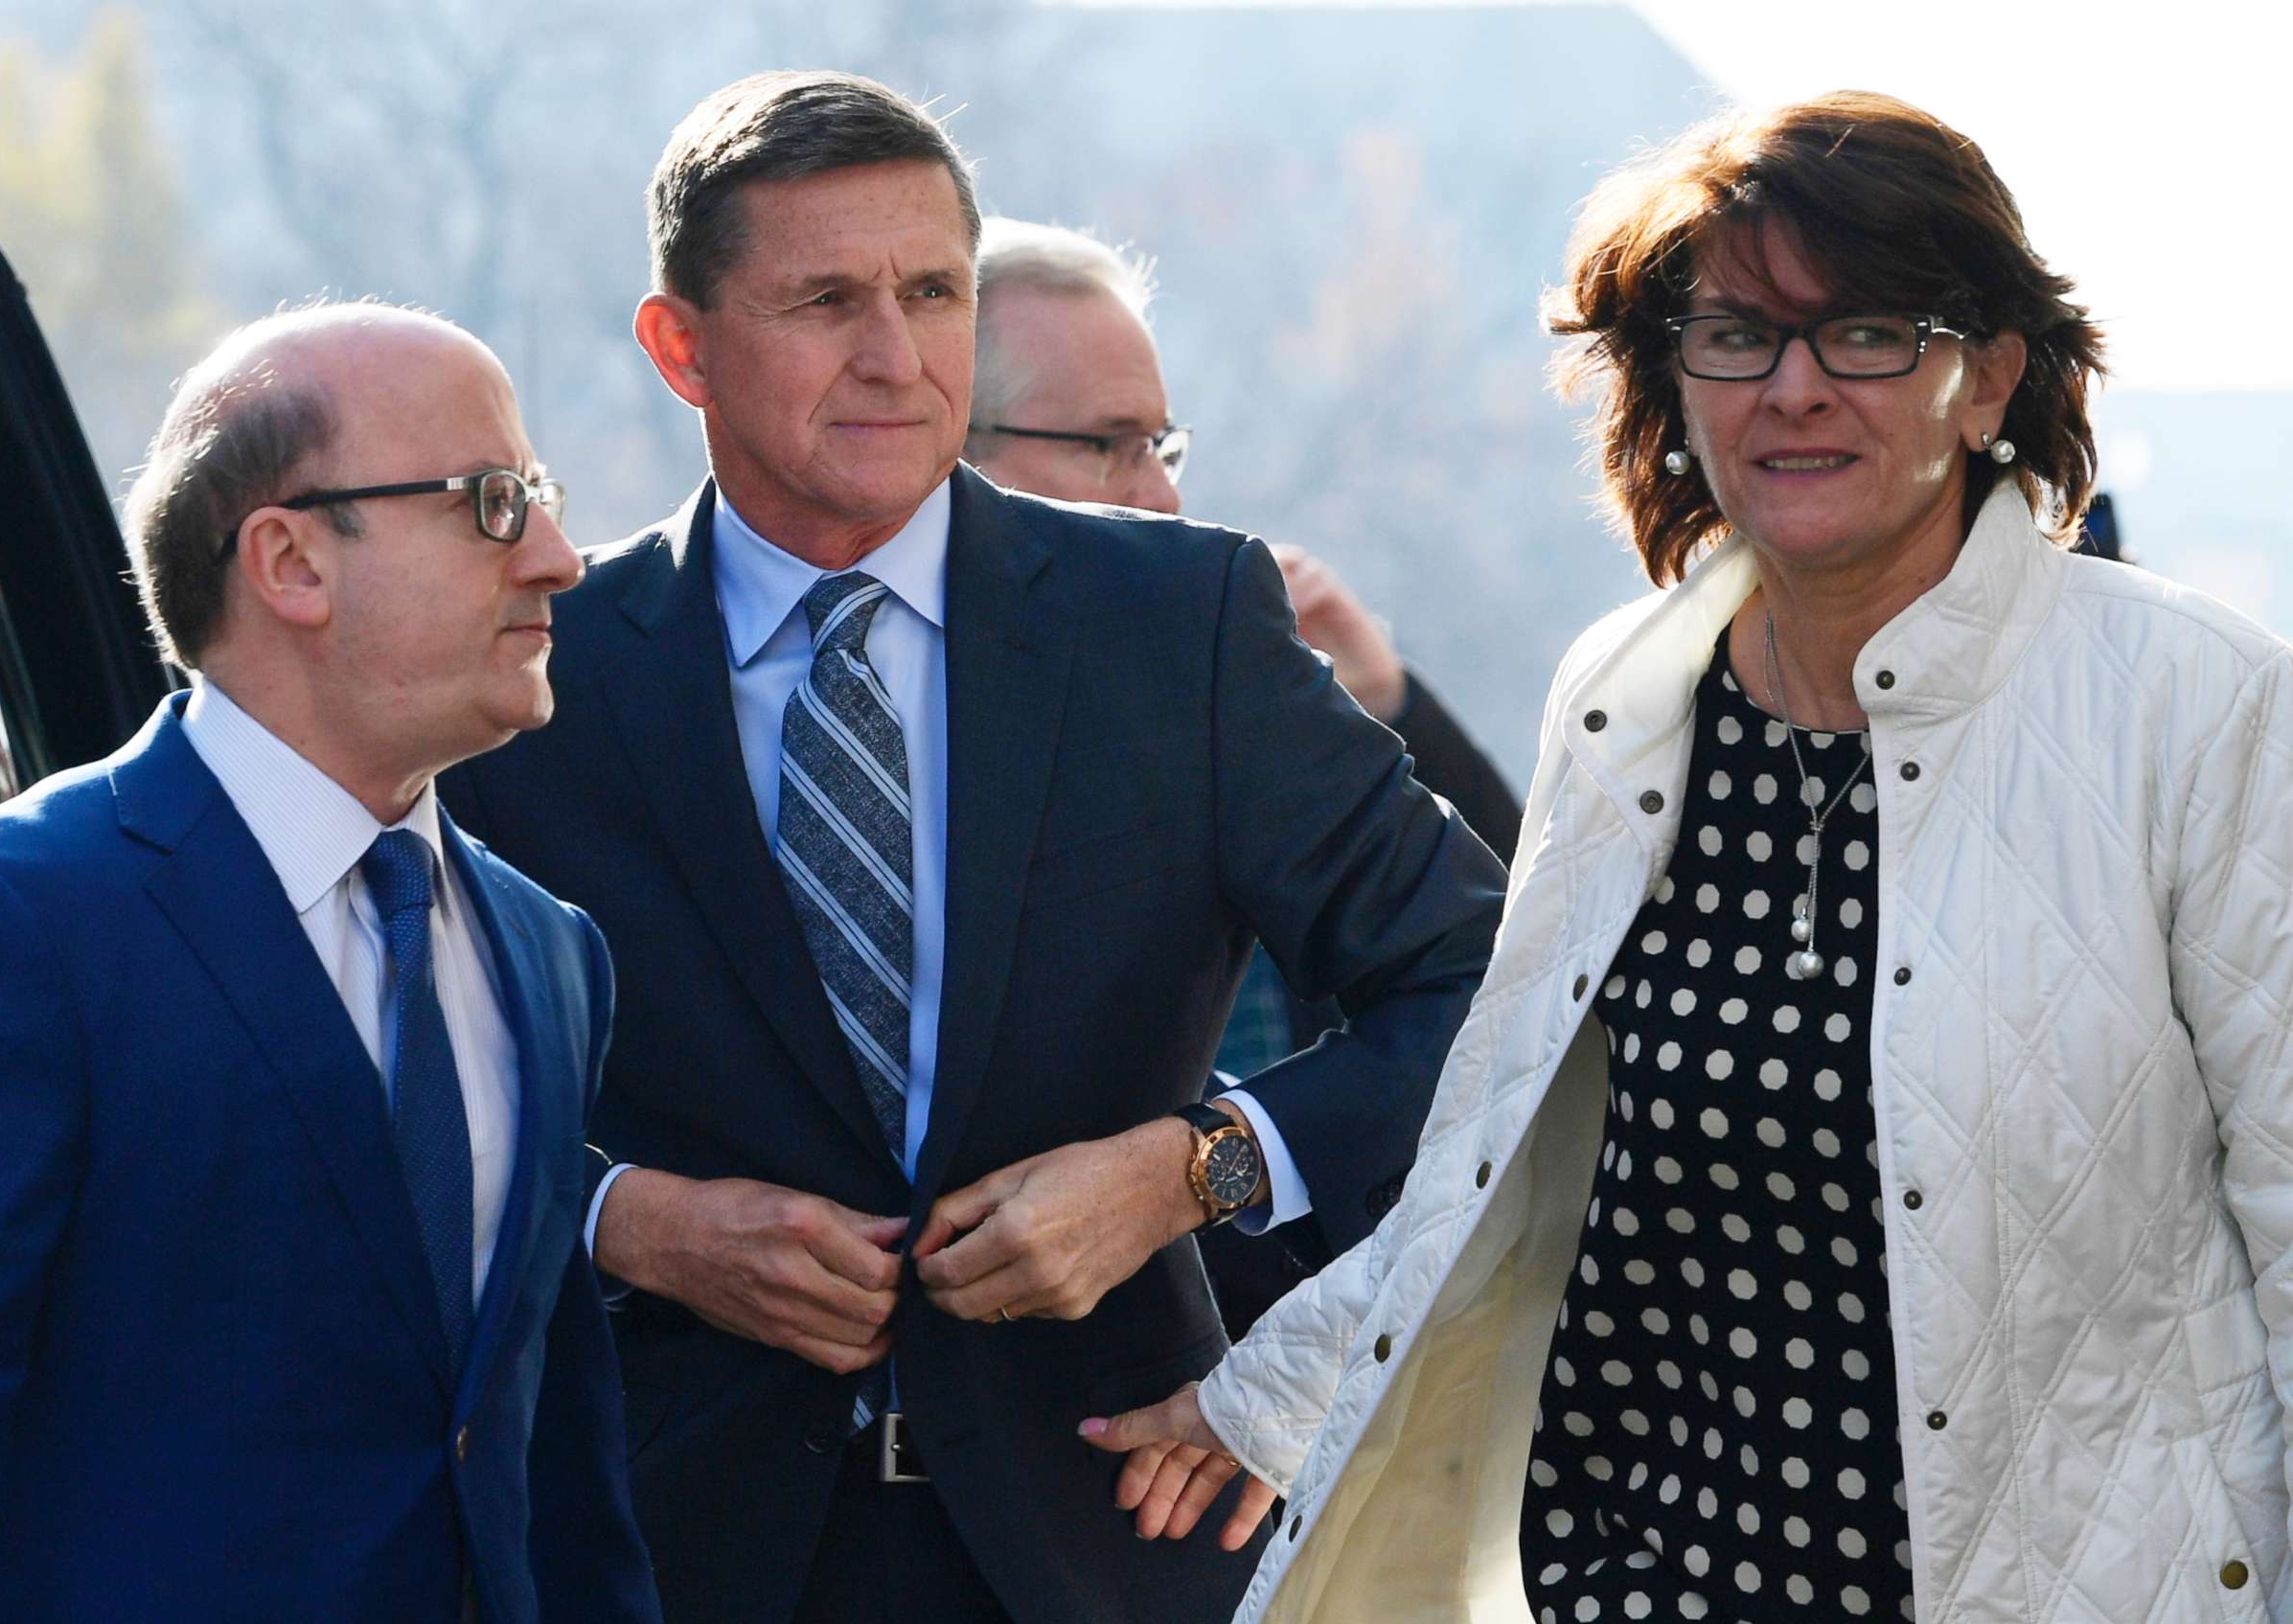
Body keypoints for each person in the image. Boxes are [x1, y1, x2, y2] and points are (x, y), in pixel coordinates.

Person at [1085, 90, 2293, 1624]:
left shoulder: (2195, 704)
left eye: (1865, 333)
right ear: (1673, 385)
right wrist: (1262, 1396)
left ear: (1987, 379)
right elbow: (1504, 1148)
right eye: (1735, 336)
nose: (1794, 388)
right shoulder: (1631, 696)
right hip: (1646, 1582)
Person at [438, 70, 1505, 1624]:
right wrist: (622, 1220)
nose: (891, 355)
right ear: (680, 346)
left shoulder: (1177, 625)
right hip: (664, 1559)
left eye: (930, 292)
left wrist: (1189, 1169)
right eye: (822, 300)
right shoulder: (538, 668)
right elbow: (364, 1070)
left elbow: (1491, 977)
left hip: (1112, 1540)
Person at [0, 303, 660, 1624]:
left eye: (539, 496)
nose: (558, 556)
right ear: (289, 560)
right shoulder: (7, 922)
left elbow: (555, 1467)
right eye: (495, 502)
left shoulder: (552, 952)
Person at [962, 217, 1525, 1335]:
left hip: (1263, 1367)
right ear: (944, 437)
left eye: (1162, 446)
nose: (1159, 494)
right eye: (1107, 444)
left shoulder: (1215, 667)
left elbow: (1506, 967)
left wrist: (1391, 710)